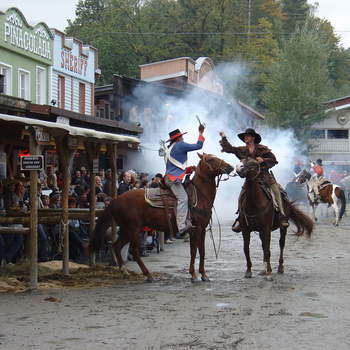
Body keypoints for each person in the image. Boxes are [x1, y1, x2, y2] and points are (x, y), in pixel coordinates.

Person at [219, 128, 289, 232]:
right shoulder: (242, 150)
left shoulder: (262, 149)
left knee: (276, 191)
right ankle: (240, 218)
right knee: (241, 196)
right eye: (245, 136)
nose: (245, 138)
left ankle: (281, 216)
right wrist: (223, 137)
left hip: (264, 176)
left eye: (248, 136)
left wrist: (263, 159)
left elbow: (274, 160)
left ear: (253, 137)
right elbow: (229, 149)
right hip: (250, 178)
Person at [164, 125, 205, 235]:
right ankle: (181, 226)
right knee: (183, 198)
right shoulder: (180, 145)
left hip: (170, 177)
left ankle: (187, 220)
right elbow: (198, 146)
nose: (183, 138)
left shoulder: (171, 148)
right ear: (178, 138)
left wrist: (187, 170)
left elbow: (175, 168)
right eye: (181, 137)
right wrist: (201, 133)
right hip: (172, 179)